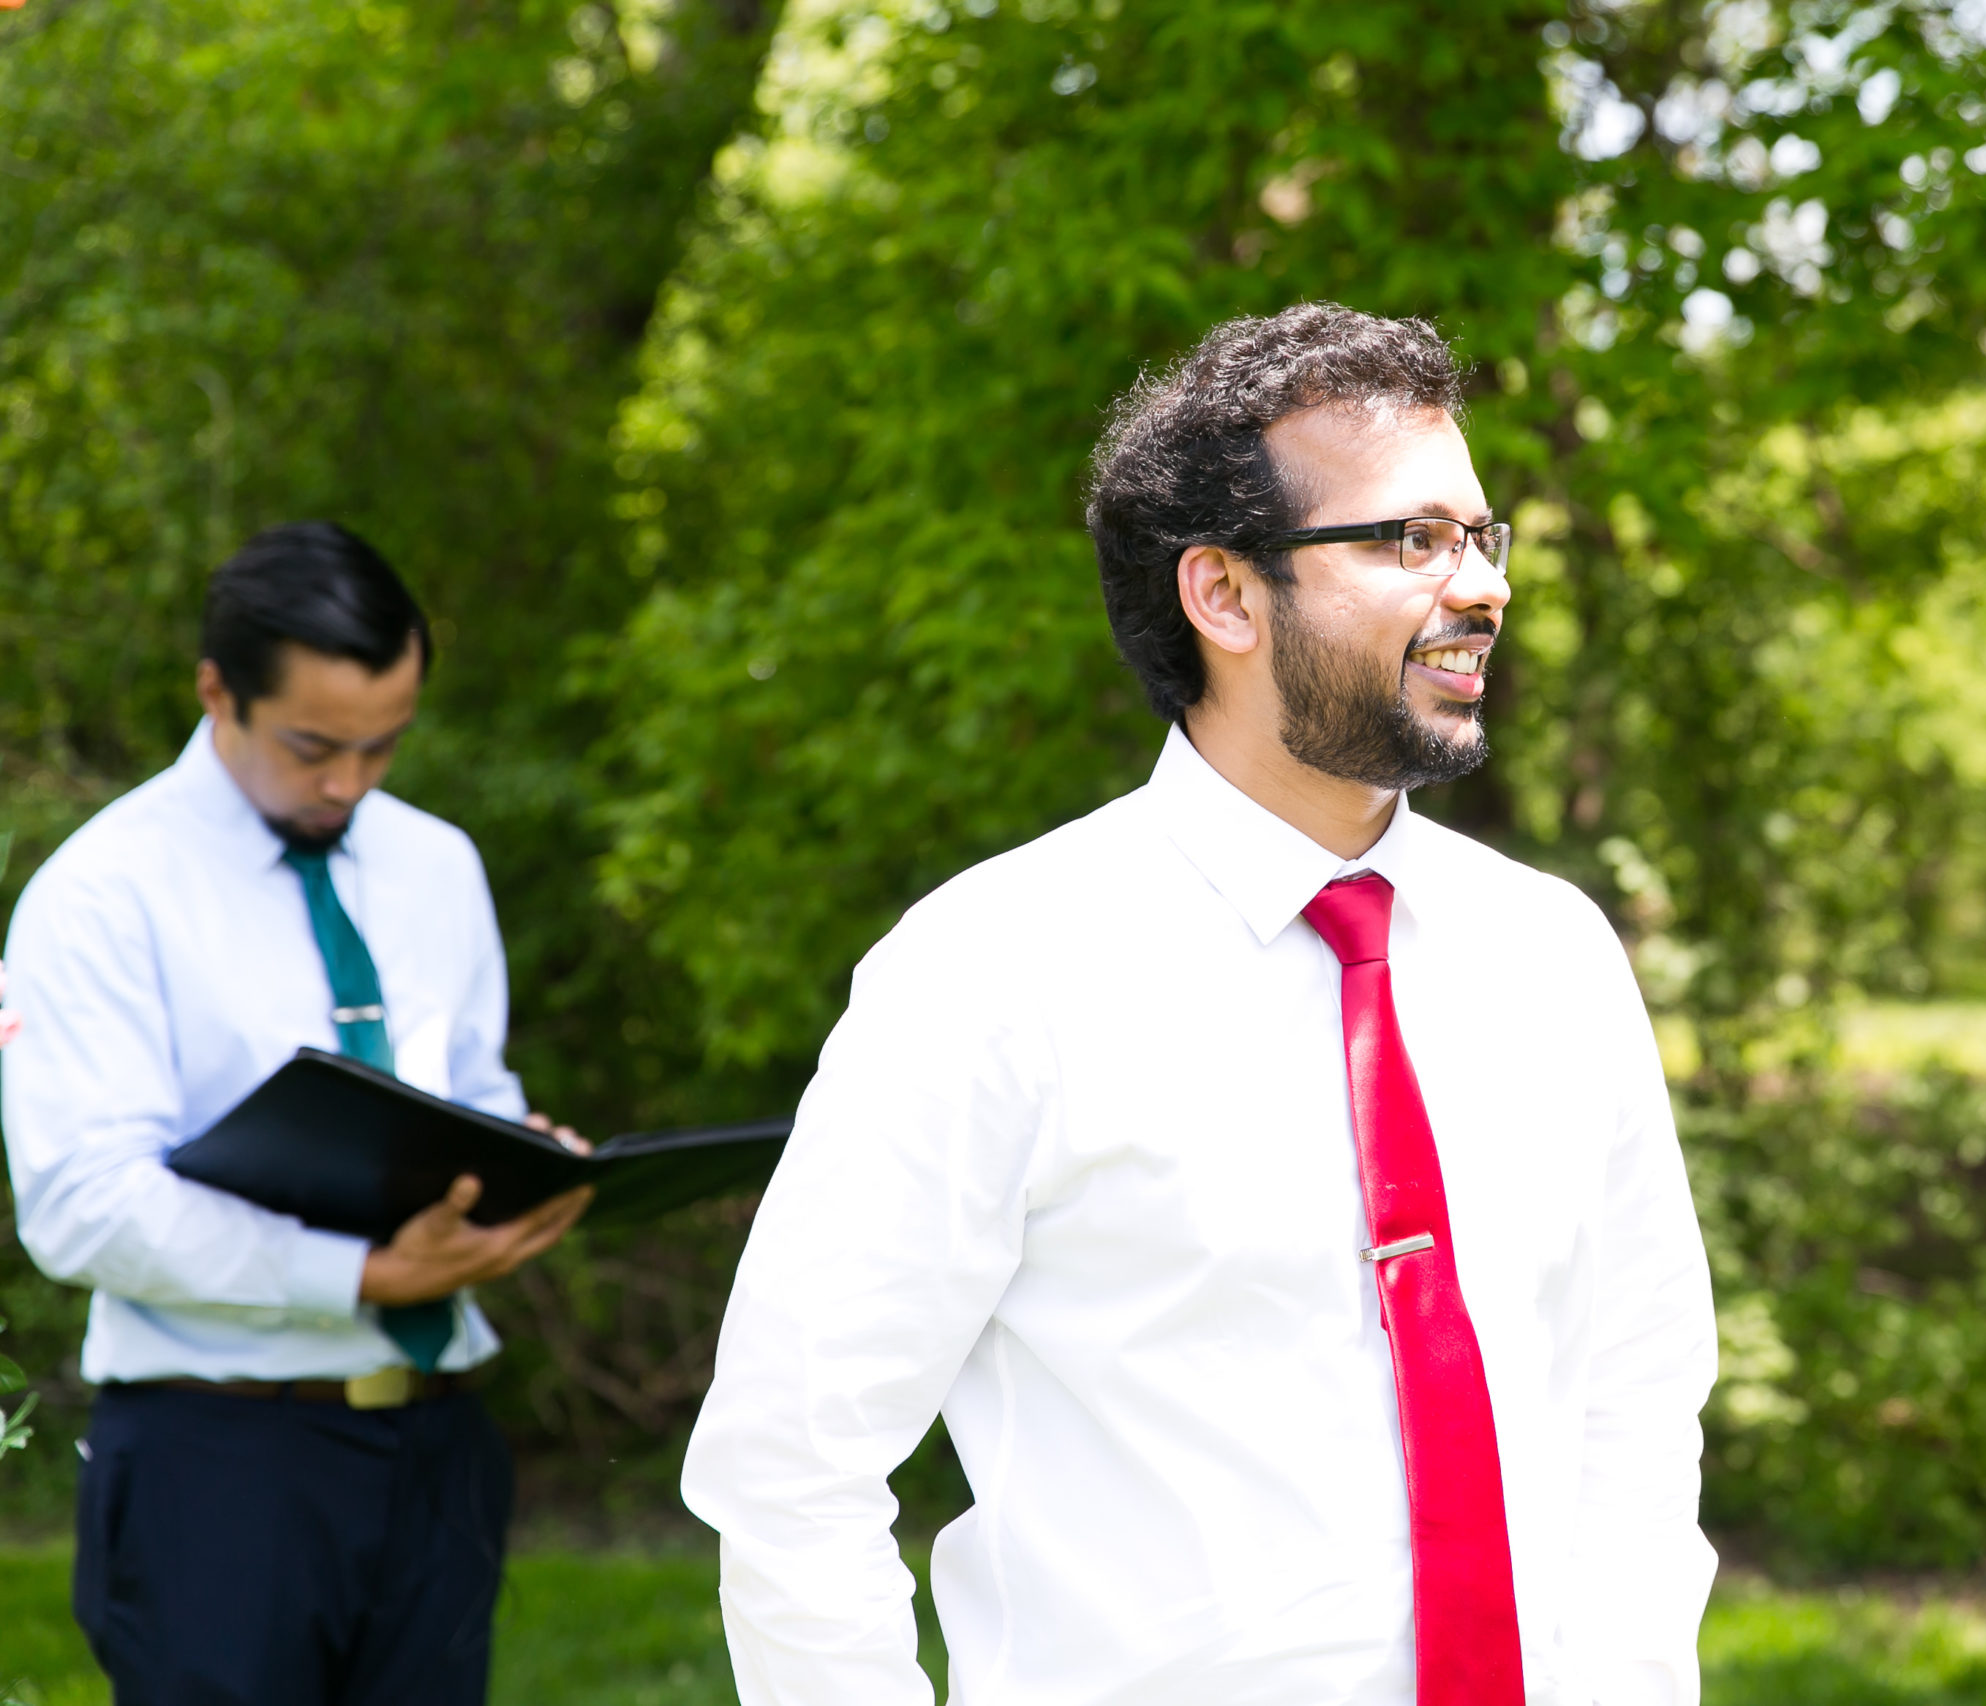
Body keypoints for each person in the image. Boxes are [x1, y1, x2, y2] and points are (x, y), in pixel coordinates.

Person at [683, 304, 1718, 1705]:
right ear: (1224, 594)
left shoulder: (1552, 955)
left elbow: (1637, 1408)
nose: (1477, 586)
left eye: (1482, 536)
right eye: (1409, 540)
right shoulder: (991, 970)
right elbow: (793, 1463)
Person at [2, 522, 594, 1706]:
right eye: (315, 745)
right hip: (218, 1461)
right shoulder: (101, 894)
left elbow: (462, 1097)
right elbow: (80, 1207)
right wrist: (365, 1273)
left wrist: (525, 1162)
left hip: (439, 1447)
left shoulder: (436, 865)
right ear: (217, 689)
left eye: (384, 745)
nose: (347, 783)